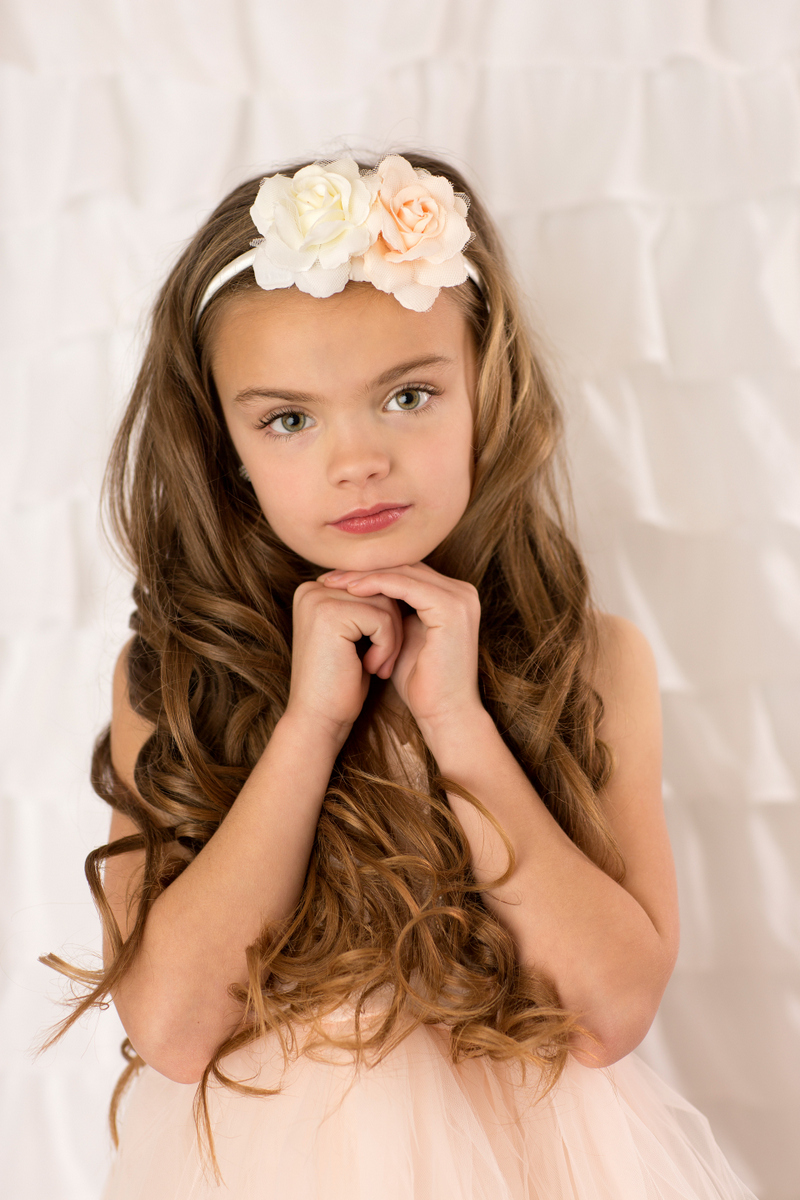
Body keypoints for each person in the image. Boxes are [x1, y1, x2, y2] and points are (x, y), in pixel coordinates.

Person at [44, 152, 756, 1198]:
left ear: (486, 394)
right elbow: (175, 1030)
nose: (357, 461)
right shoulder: (178, 675)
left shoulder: (590, 658)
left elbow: (608, 1015)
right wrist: (309, 727)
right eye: (289, 419)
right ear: (226, 449)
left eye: (409, 395)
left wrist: (456, 722)